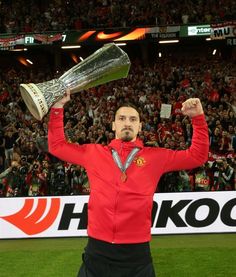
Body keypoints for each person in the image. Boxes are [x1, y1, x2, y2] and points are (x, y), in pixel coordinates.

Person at [48, 89, 209, 277]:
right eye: (122, 119)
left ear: (140, 127)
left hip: (137, 256)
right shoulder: (93, 153)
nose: (127, 123)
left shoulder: (156, 157)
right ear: (113, 125)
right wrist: (58, 107)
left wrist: (197, 118)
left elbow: (197, 156)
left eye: (133, 120)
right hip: (97, 252)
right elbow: (57, 146)